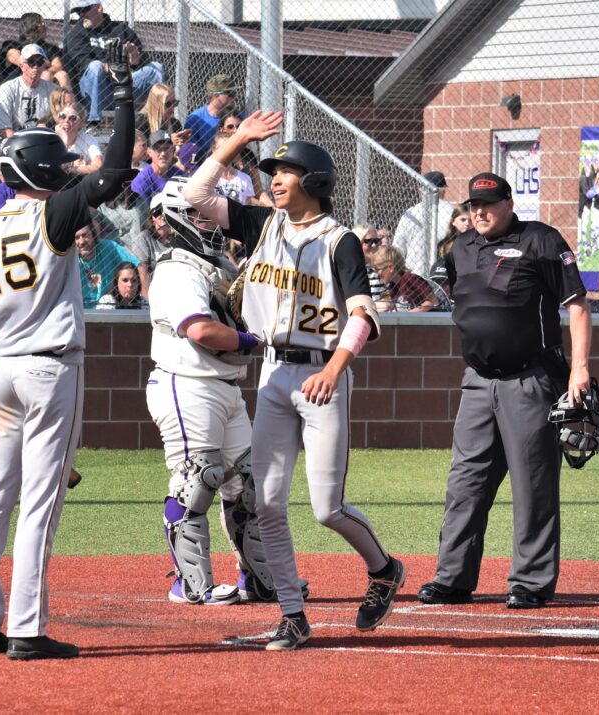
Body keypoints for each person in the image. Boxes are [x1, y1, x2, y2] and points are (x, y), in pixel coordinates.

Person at [184, 114, 405, 651]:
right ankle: (292, 614)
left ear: (315, 181)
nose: (276, 178)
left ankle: (384, 569)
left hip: (321, 373)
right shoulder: (264, 224)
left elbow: (362, 314)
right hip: (273, 372)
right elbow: (195, 195)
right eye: (273, 171)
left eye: (286, 171)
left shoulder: (340, 241)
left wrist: (334, 369)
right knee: (268, 504)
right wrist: (238, 140)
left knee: (328, 508)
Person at [0, 42, 137, 661]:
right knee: (38, 503)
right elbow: (116, 173)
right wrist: (124, 96)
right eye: (58, 165)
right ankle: (26, 630)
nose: (67, 171)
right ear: (39, 172)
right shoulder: (50, 215)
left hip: (3, 368)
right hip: (48, 366)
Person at [417, 172, 593, 611]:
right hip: (477, 381)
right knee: (465, 483)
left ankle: (531, 582)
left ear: (509, 204)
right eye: (474, 205)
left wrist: (579, 369)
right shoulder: (461, 248)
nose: (480, 211)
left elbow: (577, 306)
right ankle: (453, 578)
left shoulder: (541, 240)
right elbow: (448, 295)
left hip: (529, 380)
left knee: (532, 484)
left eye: (489, 203)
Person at [144, 176, 280, 607]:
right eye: (199, 215)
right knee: (197, 479)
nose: (211, 221)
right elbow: (200, 330)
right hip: (186, 383)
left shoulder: (221, 265)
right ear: (177, 219)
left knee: (249, 484)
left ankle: (257, 578)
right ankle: (189, 584)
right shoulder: (177, 269)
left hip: (225, 385)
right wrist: (253, 340)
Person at [62, 0, 164, 124]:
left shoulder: (121, 29)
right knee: (95, 66)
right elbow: (83, 64)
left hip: (123, 87)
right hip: (94, 91)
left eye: (85, 10)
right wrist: (115, 66)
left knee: (156, 68)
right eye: (78, 11)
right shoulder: (76, 33)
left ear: (99, 8)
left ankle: (158, 122)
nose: (81, 14)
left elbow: (140, 62)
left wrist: (134, 59)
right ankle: (94, 122)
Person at [392, 170, 456, 279]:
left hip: (413, 273)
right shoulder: (451, 211)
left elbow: (398, 247)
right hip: (442, 274)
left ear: (421, 190)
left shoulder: (410, 213)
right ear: (443, 191)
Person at [0, 45, 57, 139]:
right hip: (13, 140)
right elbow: (3, 129)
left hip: (43, 140)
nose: (35, 66)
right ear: (21, 65)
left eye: (39, 62)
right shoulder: (7, 88)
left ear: (44, 66)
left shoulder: (53, 90)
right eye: (31, 62)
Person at [75, 219, 139, 308]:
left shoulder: (108, 247)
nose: (82, 242)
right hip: (79, 309)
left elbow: (138, 266)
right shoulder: (69, 259)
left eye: (85, 235)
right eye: (77, 237)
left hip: (109, 307)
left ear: (93, 235)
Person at [0, 12, 69, 88]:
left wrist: (41, 70)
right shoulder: (14, 45)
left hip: (46, 80)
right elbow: (23, 61)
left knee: (62, 75)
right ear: (32, 26)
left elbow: (58, 66)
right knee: (46, 75)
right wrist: (45, 64)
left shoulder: (50, 48)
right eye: (42, 23)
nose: (45, 27)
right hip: (19, 84)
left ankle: (66, 96)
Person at [184, 74, 240, 159]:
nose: (234, 97)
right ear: (216, 95)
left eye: (234, 93)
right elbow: (190, 149)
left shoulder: (234, 117)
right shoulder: (195, 118)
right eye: (230, 94)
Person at [131, 130, 184, 204]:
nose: (163, 153)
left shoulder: (179, 174)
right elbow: (142, 209)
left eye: (167, 148)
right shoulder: (142, 181)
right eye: (158, 149)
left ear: (173, 151)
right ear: (149, 152)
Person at [54, 101, 101, 176]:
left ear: (81, 123)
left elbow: (98, 165)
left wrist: (71, 169)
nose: (66, 120)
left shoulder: (88, 139)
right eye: (63, 116)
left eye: (72, 118)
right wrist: (64, 138)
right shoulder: (52, 137)